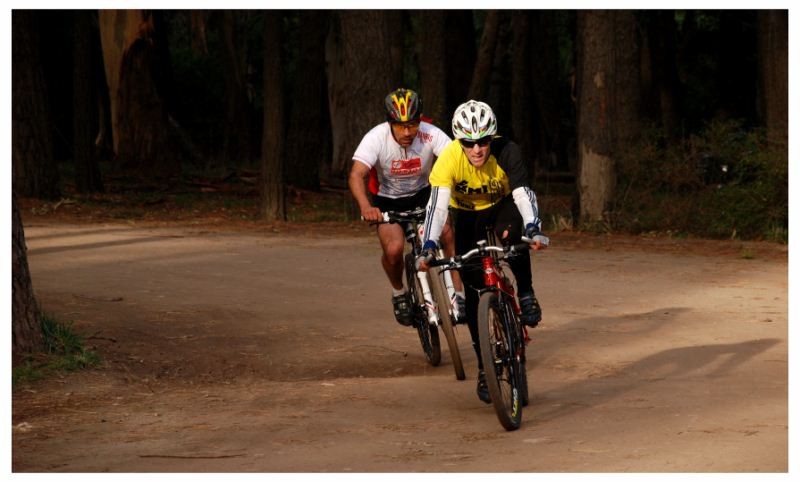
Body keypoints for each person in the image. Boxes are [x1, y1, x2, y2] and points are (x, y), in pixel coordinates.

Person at [417, 100, 547, 403]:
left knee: (513, 237)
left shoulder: (507, 152)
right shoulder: (448, 160)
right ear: (459, 141)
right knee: (475, 295)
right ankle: (484, 369)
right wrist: (428, 246)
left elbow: (522, 194)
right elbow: (436, 207)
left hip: (502, 207)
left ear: (492, 138)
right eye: (468, 143)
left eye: (483, 141)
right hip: (468, 216)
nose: (477, 149)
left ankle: (526, 293)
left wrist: (533, 227)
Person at [348, 88, 462, 327]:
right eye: (401, 126)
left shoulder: (430, 134)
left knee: (447, 233)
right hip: (387, 202)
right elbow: (356, 175)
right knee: (394, 249)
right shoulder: (376, 138)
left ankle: (458, 294)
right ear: (390, 123)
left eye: (413, 124)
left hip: (423, 195)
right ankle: (399, 292)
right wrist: (366, 207)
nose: (408, 132)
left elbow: (456, 160)